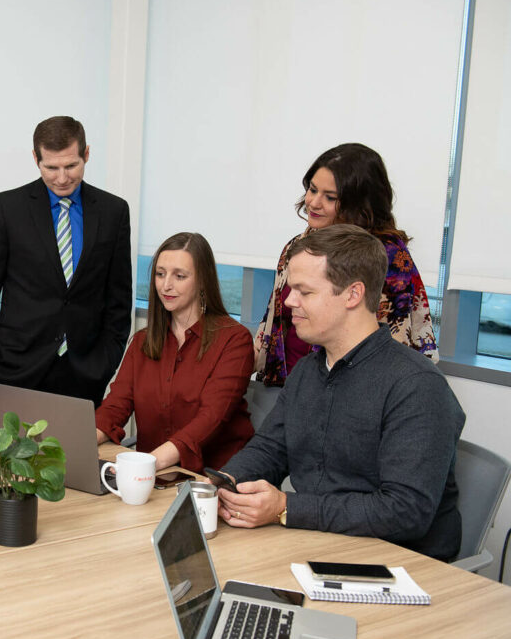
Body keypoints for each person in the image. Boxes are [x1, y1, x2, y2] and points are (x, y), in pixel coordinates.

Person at [217, 225, 464, 561]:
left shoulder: (417, 385)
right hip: (320, 545)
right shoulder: (308, 370)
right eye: (291, 290)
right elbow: (271, 450)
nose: (289, 302)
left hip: (398, 565)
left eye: (304, 291)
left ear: (352, 294)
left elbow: (405, 511)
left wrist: (285, 508)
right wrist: (227, 483)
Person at [0, 116, 132, 408]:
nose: (62, 177)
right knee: (12, 454)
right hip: (15, 368)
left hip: (86, 371)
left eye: (71, 166)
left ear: (87, 154)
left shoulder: (113, 211)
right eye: (51, 167)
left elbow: (119, 295)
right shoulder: (8, 208)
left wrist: (107, 359)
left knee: (77, 455)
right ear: (36, 158)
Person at [254, 143, 438, 386]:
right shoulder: (297, 246)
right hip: (288, 385)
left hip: (349, 391)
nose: (314, 203)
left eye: (330, 197)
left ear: (360, 204)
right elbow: (273, 322)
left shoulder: (385, 256)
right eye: (312, 189)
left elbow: (390, 344)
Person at [95, 233, 254, 472]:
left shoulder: (234, 340)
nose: (166, 285)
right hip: (156, 475)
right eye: (160, 274)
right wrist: (74, 444)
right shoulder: (142, 342)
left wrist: (148, 463)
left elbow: (210, 418)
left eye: (179, 276)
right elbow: (115, 407)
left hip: (214, 477)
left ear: (202, 280)